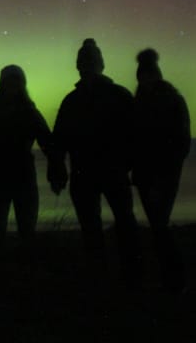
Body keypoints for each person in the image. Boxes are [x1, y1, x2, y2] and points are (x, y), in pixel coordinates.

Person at [48, 38, 141, 284]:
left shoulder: (117, 96)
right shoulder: (73, 101)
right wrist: (57, 172)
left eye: (89, 62)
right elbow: (59, 141)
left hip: (111, 172)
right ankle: (102, 278)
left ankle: (129, 276)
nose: (85, 67)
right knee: (94, 229)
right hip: (85, 174)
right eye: (82, 62)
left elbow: (136, 134)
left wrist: (131, 165)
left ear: (100, 65)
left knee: (123, 224)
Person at [132, 48, 191, 292]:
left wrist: (164, 173)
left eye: (148, 75)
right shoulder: (139, 104)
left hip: (164, 174)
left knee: (159, 225)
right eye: (142, 76)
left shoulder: (172, 101)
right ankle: (170, 277)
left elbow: (180, 142)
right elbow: (132, 140)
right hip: (146, 175)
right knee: (158, 226)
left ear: (156, 75)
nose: (146, 80)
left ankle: (174, 278)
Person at [0, 65, 52, 244]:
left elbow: (47, 142)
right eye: (8, 82)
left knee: (27, 230)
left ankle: (26, 267)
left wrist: (57, 171)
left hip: (24, 177)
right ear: (2, 85)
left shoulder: (30, 111)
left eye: (16, 81)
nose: (12, 85)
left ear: (22, 85)